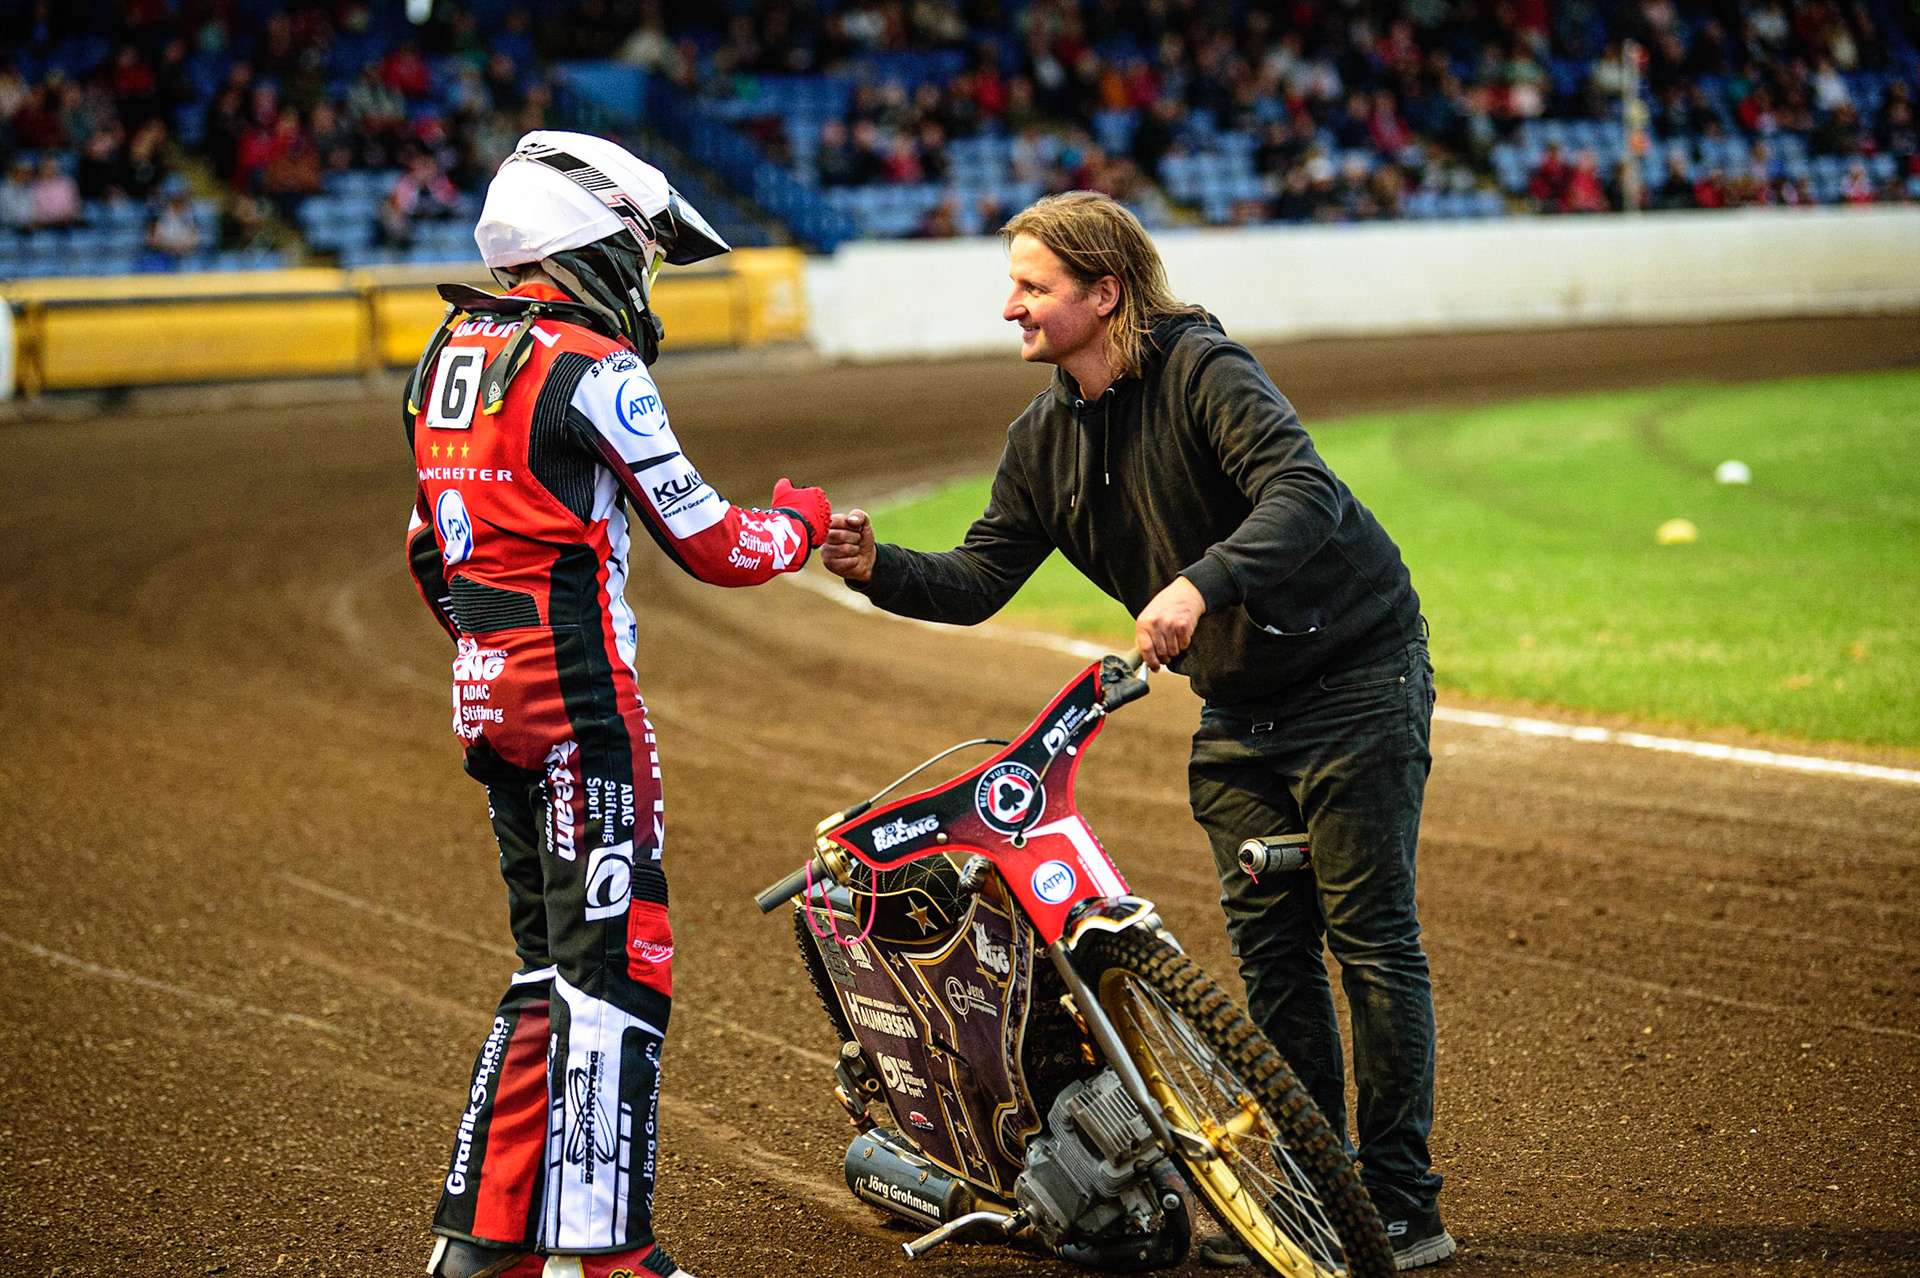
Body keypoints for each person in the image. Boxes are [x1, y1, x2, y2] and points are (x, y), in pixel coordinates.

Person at [821, 191, 1452, 1271]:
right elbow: (979, 579)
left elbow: (1304, 492)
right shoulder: (1042, 440)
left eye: (1031, 286)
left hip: (1354, 672)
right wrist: (877, 567)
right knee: (1273, 963)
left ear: (1103, 293)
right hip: (1243, 710)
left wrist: (1200, 586)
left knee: (1370, 939)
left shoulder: (1206, 372)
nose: (1008, 305)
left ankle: (1400, 1205)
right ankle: (1316, 1193)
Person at [404, 130, 832, 1278]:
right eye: (641, 256)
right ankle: (607, 1260)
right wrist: (797, 521)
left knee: (548, 965)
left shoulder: (446, 351)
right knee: (619, 972)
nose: (645, 284)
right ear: (594, 245)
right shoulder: (593, 367)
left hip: (490, 699)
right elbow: (713, 541)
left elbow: (424, 554)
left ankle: (480, 1241)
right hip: (581, 707)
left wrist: (492, 654)